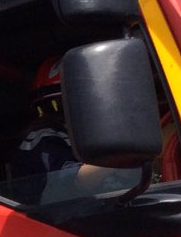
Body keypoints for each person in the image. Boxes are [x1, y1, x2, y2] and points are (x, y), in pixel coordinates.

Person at [8, 56, 141, 205]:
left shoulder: (94, 137)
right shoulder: (43, 137)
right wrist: (127, 148)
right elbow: (74, 181)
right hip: (60, 224)